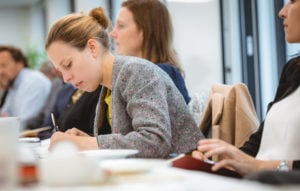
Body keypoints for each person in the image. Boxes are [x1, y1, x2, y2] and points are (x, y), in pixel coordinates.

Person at [45, 7, 204, 158]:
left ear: (92, 48)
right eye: (61, 70)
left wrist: (86, 143)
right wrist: (87, 140)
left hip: (186, 173)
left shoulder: (135, 71)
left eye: (68, 65)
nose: (66, 78)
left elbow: (155, 142)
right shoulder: (108, 85)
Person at [192, 0, 300, 177]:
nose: (282, 12)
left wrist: (257, 166)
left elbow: (257, 164)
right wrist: (229, 161)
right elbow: (261, 141)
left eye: (293, 1)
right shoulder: (293, 68)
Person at [110, 0, 191, 104]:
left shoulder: (160, 74)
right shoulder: (143, 74)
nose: (113, 33)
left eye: (121, 26)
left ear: (144, 31)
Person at [0, 46, 51, 128]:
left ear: (20, 64)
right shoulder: (12, 85)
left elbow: (24, 123)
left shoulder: (33, 81)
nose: (0, 71)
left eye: (4, 65)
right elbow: (4, 116)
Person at [25, 60, 64, 129]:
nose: (53, 71)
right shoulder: (56, 83)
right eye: (53, 67)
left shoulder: (71, 85)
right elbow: (46, 110)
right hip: (46, 127)